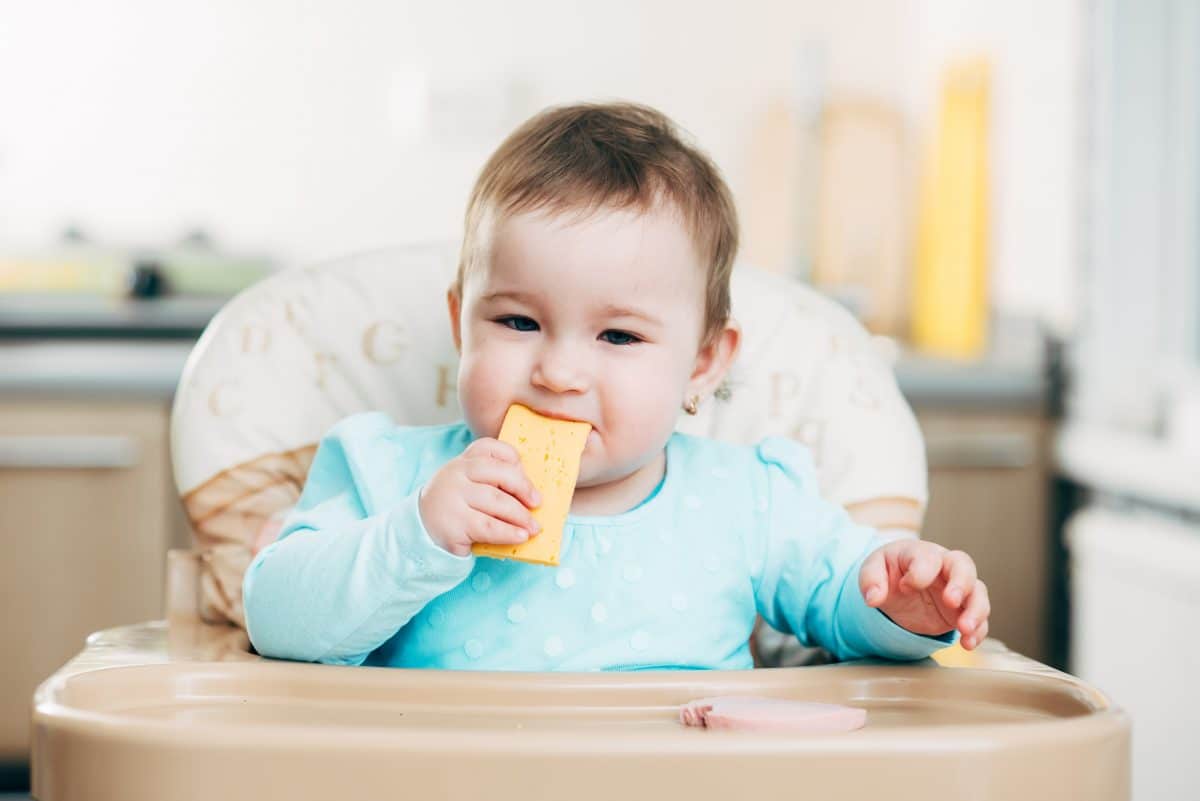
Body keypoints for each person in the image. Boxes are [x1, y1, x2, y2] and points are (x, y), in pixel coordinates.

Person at [243, 101, 990, 670]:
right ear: (459, 322)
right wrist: (416, 535)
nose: (558, 373)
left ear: (703, 362)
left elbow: (838, 602)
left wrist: (906, 608)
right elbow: (275, 619)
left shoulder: (748, 500)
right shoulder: (390, 477)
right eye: (517, 321)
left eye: (619, 336)